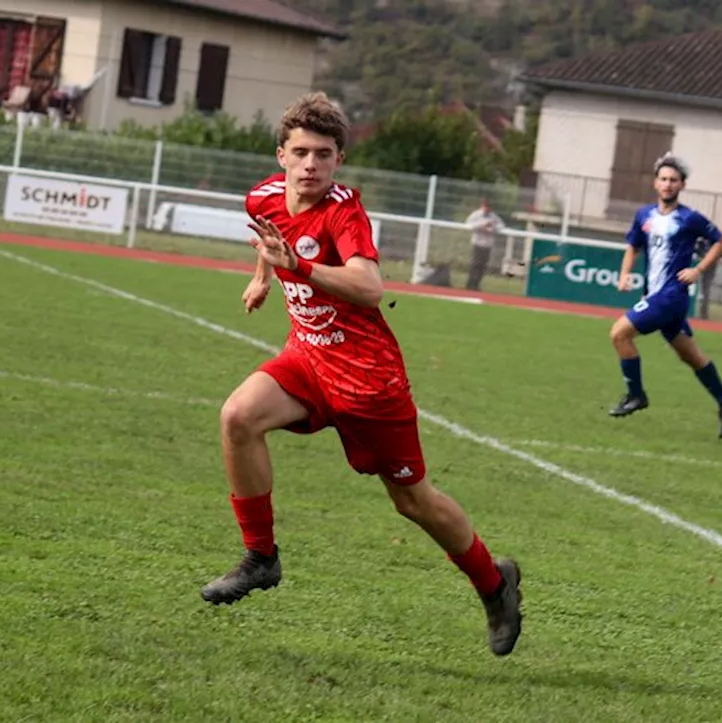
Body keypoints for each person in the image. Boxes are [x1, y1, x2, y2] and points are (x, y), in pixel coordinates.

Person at [200, 92, 523, 657]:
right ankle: (261, 558)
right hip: (307, 358)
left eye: (323, 154)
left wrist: (296, 266)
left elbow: (370, 286)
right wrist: (262, 277)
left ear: (339, 161)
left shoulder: (344, 212)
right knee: (238, 416)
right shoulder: (263, 197)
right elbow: (270, 236)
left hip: (368, 381)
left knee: (413, 502)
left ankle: (494, 585)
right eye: (300, 152)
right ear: (281, 155)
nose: (310, 165)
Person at [608, 152, 722, 439]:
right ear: (656, 183)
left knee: (619, 334)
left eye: (674, 180)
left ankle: (636, 395)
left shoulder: (689, 218)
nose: (668, 184)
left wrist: (698, 270)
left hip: (671, 296)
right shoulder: (644, 215)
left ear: (682, 185)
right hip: (655, 293)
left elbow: (721, 242)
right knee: (689, 354)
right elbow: (633, 245)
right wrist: (624, 274)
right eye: (664, 179)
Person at [464, 198, 504, 291]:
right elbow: (468, 224)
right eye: (485, 206)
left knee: (483, 265)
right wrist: (481, 225)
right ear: (482, 206)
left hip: (488, 244)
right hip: (478, 243)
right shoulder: (476, 215)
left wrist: (492, 228)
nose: (487, 209)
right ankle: (470, 284)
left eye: (489, 207)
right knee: (475, 264)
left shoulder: (493, 217)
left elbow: (501, 226)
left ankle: (477, 284)